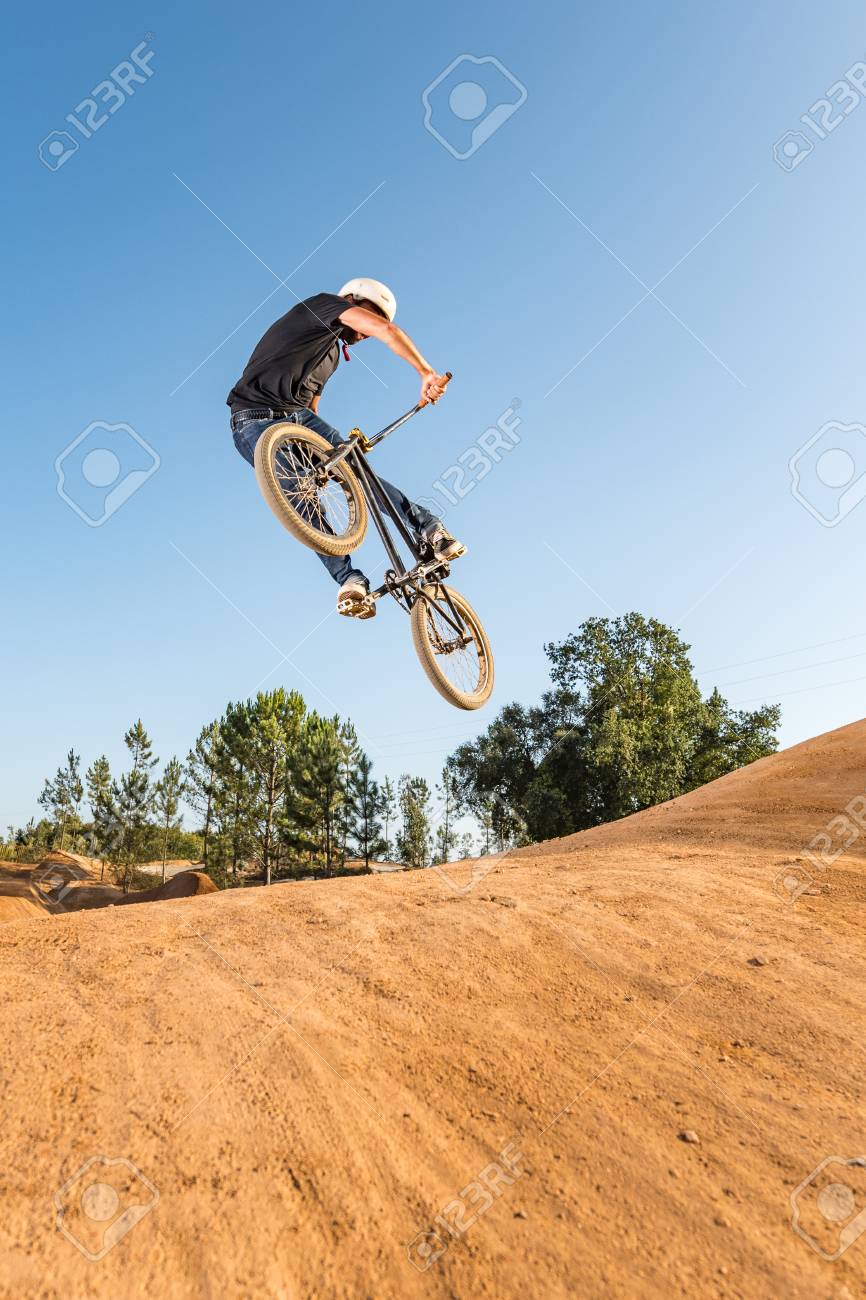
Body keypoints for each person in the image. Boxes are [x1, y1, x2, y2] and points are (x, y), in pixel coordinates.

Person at [228, 278, 465, 618]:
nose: (365, 332)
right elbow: (386, 330)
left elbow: (312, 407)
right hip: (252, 419)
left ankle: (429, 527)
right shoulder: (324, 305)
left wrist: (321, 458)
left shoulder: (332, 354)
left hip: (298, 419)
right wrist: (425, 372)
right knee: (297, 495)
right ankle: (349, 579)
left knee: (355, 471)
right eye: (369, 313)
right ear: (352, 300)